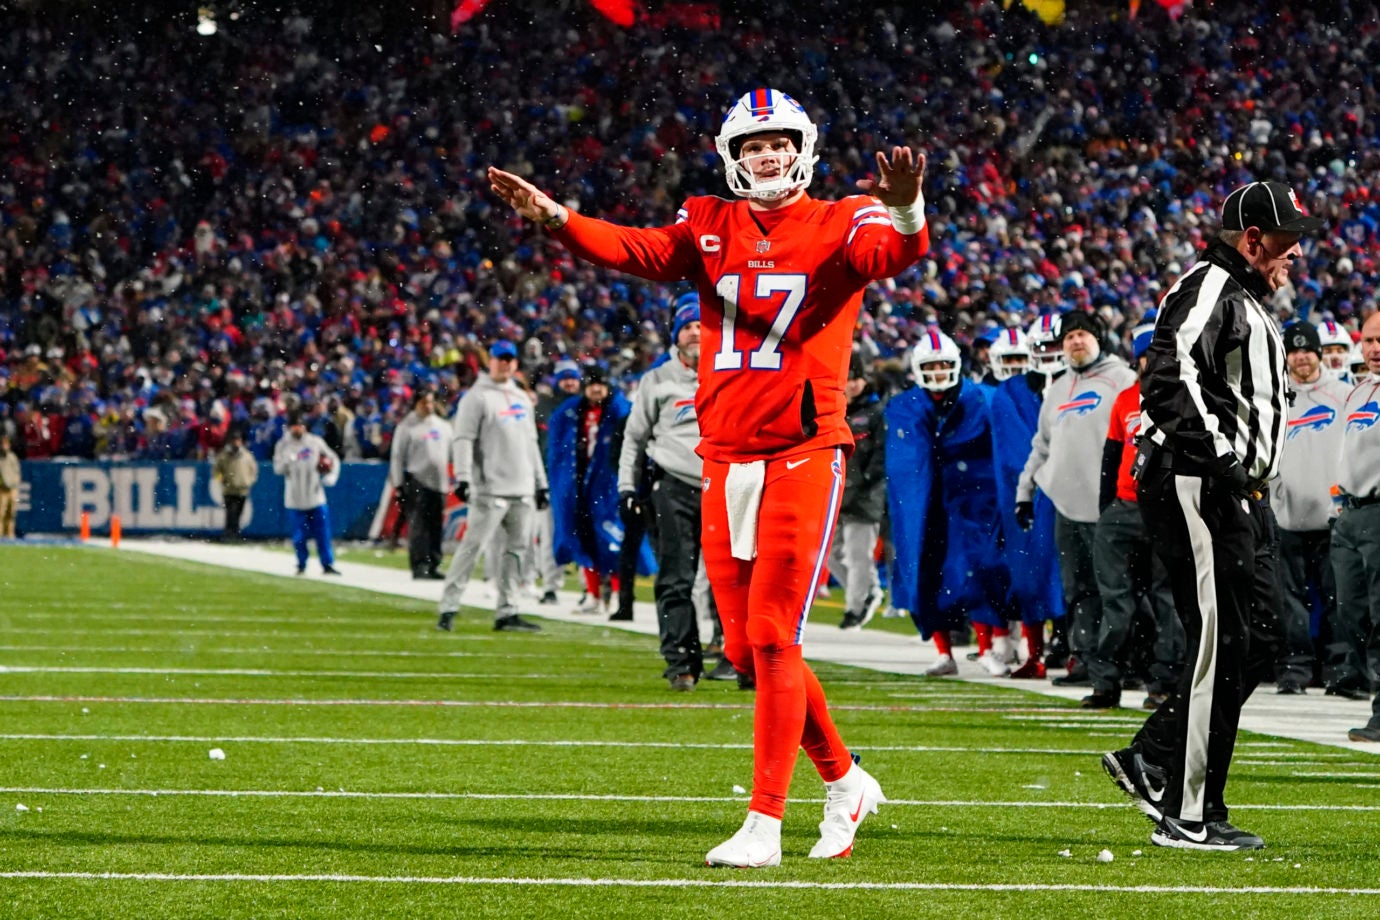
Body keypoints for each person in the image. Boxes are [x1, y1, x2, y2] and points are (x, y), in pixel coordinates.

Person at [489, 86, 928, 867]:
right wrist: (560, 219)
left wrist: (907, 209)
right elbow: (637, 249)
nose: (770, 154)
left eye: (782, 142)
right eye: (755, 145)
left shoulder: (845, 215)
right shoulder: (707, 220)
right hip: (722, 456)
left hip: (801, 448)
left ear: (804, 149)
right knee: (744, 646)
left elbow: (889, 255)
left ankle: (765, 823)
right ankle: (845, 778)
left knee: (772, 633)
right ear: (733, 157)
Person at [1103, 180, 1320, 850]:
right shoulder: (1210, 288)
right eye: (1285, 244)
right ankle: (1189, 811)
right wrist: (1223, 463)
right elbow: (1169, 378)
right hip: (1198, 483)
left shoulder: (1240, 296)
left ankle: (1157, 755)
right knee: (1220, 640)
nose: (1293, 258)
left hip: (1228, 488)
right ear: (1252, 239)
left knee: (1259, 636)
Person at [1016, 312, 1135, 686]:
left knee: (1118, 589)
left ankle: (1124, 663)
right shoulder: (1056, 390)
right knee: (1078, 589)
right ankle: (1084, 661)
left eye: (1082, 334)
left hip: (1111, 505)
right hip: (1067, 507)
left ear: (1098, 339)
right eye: (1069, 337)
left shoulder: (1123, 380)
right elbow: (1041, 446)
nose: (1075, 342)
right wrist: (1025, 491)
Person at [887, 330, 1014, 677]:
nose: (940, 370)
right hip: (925, 506)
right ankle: (944, 651)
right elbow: (902, 463)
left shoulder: (981, 400)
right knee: (924, 574)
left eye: (944, 363)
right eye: (932, 364)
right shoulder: (905, 407)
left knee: (977, 572)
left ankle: (989, 646)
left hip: (972, 502)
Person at [1082, 323, 1184, 709]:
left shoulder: (1184, 398)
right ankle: (1106, 681)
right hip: (1124, 508)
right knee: (1116, 600)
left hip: (1165, 509)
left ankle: (1163, 681)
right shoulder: (1125, 399)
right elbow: (1111, 458)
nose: (1152, 362)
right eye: (1147, 356)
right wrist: (1107, 507)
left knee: (1167, 600)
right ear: (1138, 360)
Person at [617, 295, 715, 689]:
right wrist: (627, 484)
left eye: (700, 325)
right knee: (676, 577)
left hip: (724, 484)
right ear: (677, 335)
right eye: (688, 326)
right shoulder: (657, 380)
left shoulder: (728, 372)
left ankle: (737, 655)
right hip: (673, 485)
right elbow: (634, 437)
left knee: (733, 578)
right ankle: (681, 663)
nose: (695, 332)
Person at [437, 340, 548, 634]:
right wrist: (463, 476)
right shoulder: (476, 398)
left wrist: (540, 482)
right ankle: (448, 607)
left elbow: (531, 444)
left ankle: (508, 610)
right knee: (472, 547)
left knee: (516, 551)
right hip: (490, 488)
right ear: (491, 362)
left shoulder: (522, 398)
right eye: (501, 359)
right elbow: (463, 439)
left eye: (511, 359)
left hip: (522, 487)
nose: (507, 364)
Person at [1270, 322, 1349, 694]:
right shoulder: (1274, 397)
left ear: (1319, 353)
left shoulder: (1344, 395)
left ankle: (1341, 672)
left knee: (1341, 601)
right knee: (1289, 603)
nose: (1301, 356)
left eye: (1308, 350)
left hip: (1335, 518)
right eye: (1295, 350)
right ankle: (1295, 671)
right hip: (1287, 517)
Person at [989, 317, 1067, 678]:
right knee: (1030, 575)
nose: (1051, 354)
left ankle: (1071, 650)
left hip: (1072, 492)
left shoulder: (1078, 384)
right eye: (1044, 347)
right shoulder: (1010, 392)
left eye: (1056, 346)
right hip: (1029, 495)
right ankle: (1035, 653)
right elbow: (1013, 453)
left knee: (1074, 578)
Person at [1332, 309, 1380, 742]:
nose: (1375, 348)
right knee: (1352, 612)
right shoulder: (1357, 391)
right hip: (1351, 514)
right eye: (1368, 340)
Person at [831, 353, 888, 631]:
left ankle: (854, 609)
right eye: (848, 378)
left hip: (865, 497)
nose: (853, 384)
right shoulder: (834, 411)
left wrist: (862, 483)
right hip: (838, 494)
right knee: (828, 554)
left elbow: (881, 457)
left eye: (857, 378)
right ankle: (871, 590)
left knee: (857, 556)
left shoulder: (875, 414)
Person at [530, 359, 583, 603]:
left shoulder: (588, 405)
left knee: (585, 534)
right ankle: (551, 586)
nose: (570, 382)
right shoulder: (544, 406)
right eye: (565, 378)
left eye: (573, 377)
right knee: (550, 534)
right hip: (552, 479)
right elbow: (534, 444)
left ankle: (588, 588)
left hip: (581, 480)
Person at [389, 390, 451, 579]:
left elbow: (453, 450)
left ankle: (433, 563)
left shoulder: (443, 426)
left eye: (431, 402)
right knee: (419, 526)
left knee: (436, 526)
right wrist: (398, 484)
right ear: (416, 404)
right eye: (424, 402)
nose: (428, 406)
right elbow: (397, 457)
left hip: (440, 481)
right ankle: (420, 564)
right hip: (417, 479)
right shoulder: (407, 427)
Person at [272, 410, 341, 576]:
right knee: (299, 536)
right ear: (289, 427)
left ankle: (327, 564)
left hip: (315, 495)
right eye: (295, 425)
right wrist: (288, 461)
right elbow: (277, 469)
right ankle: (301, 564)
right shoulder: (283, 445)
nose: (298, 429)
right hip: (294, 498)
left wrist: (332, 476)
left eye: (300, 425)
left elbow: (334, 459)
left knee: (323, 534)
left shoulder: (315, 442)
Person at [213, 426, 259, 541]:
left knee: (238, 513)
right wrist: (221, 480)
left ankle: (234, 533)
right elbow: (216, 470)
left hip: (242, 489)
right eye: (234, 440)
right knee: (230, 513)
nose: (236, 442)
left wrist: (249, 481)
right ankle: (229, 533)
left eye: (238, 440)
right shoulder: (224, 455)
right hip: (229, 489)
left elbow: (253, 470)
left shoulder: (246, 456)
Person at [0, 433, 20, 538]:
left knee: (11, 513)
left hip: (12, 488)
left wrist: (15, 484)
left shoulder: (12, 457)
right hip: (1, 489)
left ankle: (10, 535)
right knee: (1, 513)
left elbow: (17, 472)